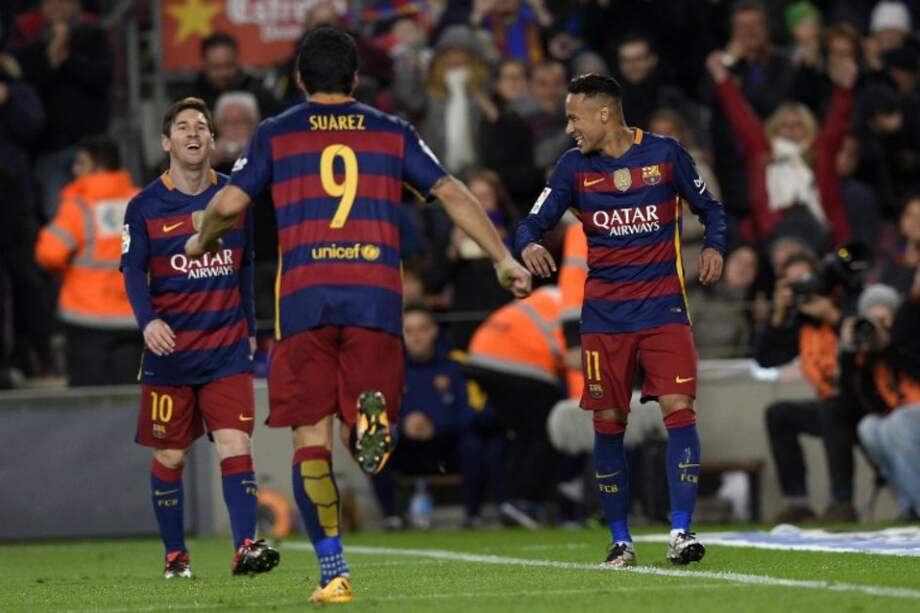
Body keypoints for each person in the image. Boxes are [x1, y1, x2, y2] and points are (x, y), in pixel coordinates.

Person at [185, 27, 531, 604]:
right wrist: (502, 257)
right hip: (374, 296)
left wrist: (202, 238)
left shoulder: (276, 132)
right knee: (363, 423)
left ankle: (333, 571)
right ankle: (372, 419)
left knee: (309, 440)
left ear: (299, 78)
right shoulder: (392, 131)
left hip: (305, 302)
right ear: (356, 78)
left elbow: (231, 202)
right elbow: (450, 192)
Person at [515, 73, 727, 567]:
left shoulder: (666, 154)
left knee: (679, 409)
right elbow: (531, 222)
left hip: (664, 308)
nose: (570, 128)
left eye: (574, 118)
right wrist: (527, 244)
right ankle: (620, 540)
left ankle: (681, 531)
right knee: (609, 421)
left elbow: (711, 209)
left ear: (604, 114)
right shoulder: (572, 168)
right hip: (605, 319)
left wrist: (714, 246)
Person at [120, 98, 278, 580]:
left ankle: (245, 547)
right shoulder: (144, 206)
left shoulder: (235, 198)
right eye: (183, 127)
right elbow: (132, 271)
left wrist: (249, 326)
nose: (193, 133)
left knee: (236, 444)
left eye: (201, 127)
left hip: (226, 346)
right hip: (171, 353)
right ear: (166, 142)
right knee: (171, 454)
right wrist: (148, 322)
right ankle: (176, 556)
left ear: (212, 140)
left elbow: (246, 264)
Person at [706, 46, 856, 247]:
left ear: (809, 131)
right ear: (774, 130)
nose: (791, 130)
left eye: (798, 125)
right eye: (785, 125)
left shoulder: (820, 154)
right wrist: (722, 79)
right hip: (771, 237)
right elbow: (740, 116)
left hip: (822, 238)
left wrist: (845, 89)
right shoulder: (762, 151)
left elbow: (837, 122)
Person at [756, 249, 865, 523]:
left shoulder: (847, 297)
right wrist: (779, 312)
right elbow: (766, 359)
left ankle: (842, 502)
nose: (803, 289)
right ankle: (798, 502)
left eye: (807, 280)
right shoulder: (800, 321)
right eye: (794, 285)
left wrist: (832, 316)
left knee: (832, 408)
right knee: (779, 414)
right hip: (832, 405)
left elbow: (869, 341)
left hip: (866, 403)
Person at [370, 304, 501, 529]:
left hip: (447, 450)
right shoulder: (387, 371)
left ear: (434, 331)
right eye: (409, 330)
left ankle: (473, 516)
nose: (416, 337)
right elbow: (376, 414)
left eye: (422, 329)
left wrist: (436, 426)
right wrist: (403, 425)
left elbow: (479, 413)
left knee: (475, 441)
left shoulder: (457, 366)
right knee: (373, 440)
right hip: (406, 452)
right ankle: (391, 517)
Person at [34, 136, 141, 385]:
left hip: (86, 316)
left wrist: (67, 273)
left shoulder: (79, 206)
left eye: (80, 163)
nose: (74, 170)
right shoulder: (141, 201)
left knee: (87, 401)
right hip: (134, 316)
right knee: (130, 398)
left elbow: (49, 254)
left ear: (97, 166)